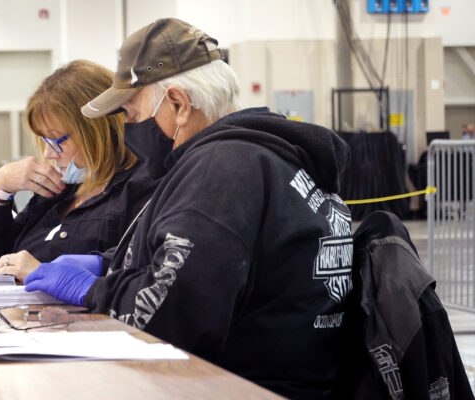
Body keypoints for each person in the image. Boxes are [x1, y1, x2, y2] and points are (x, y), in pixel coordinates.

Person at [22, 19, 352, 398]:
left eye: (131, 116)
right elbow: (206, 256)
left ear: (178, 104)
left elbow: (168, 320)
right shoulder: (266, 155)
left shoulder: (223, 170)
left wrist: (94, 289)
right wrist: (108, 262)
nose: (129, 130)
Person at [0, 60, 157, 280]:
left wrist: (48, 273)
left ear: (98, 130)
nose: (49, 154)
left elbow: (139, 268)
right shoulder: (59, 191)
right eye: (45, 141)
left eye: (57, 140)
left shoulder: (142, 188)